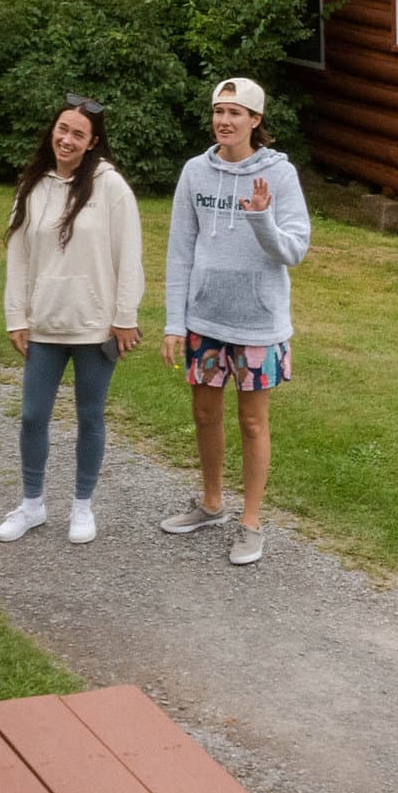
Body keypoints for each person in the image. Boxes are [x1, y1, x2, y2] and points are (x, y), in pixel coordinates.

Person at [159, 77, 310, 565]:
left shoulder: (279, 176)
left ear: (256, 121)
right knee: (204, 415)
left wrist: (262, 218)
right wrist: (174, 323)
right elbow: (180, 251)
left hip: (258, 324)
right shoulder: (194, 173)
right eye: (219, 112)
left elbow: (295, 250)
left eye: (236, 113)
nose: (225, 121)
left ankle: (250, 522)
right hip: (205, 319)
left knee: (251, 421)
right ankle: (210, 504)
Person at [0, 94, 144, 545]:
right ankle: (32, 505)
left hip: (95, 326)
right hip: (44, 325)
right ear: (53, 131)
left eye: (78, 133)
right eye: (62, 129)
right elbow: (18, 257)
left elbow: (129, 255)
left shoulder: (111, 187)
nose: (67, 139)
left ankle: (82, 506)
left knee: (90, 417)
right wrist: (15, 317)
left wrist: (125, 317)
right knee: (32, 416)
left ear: (92, 141)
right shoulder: (32, 187)